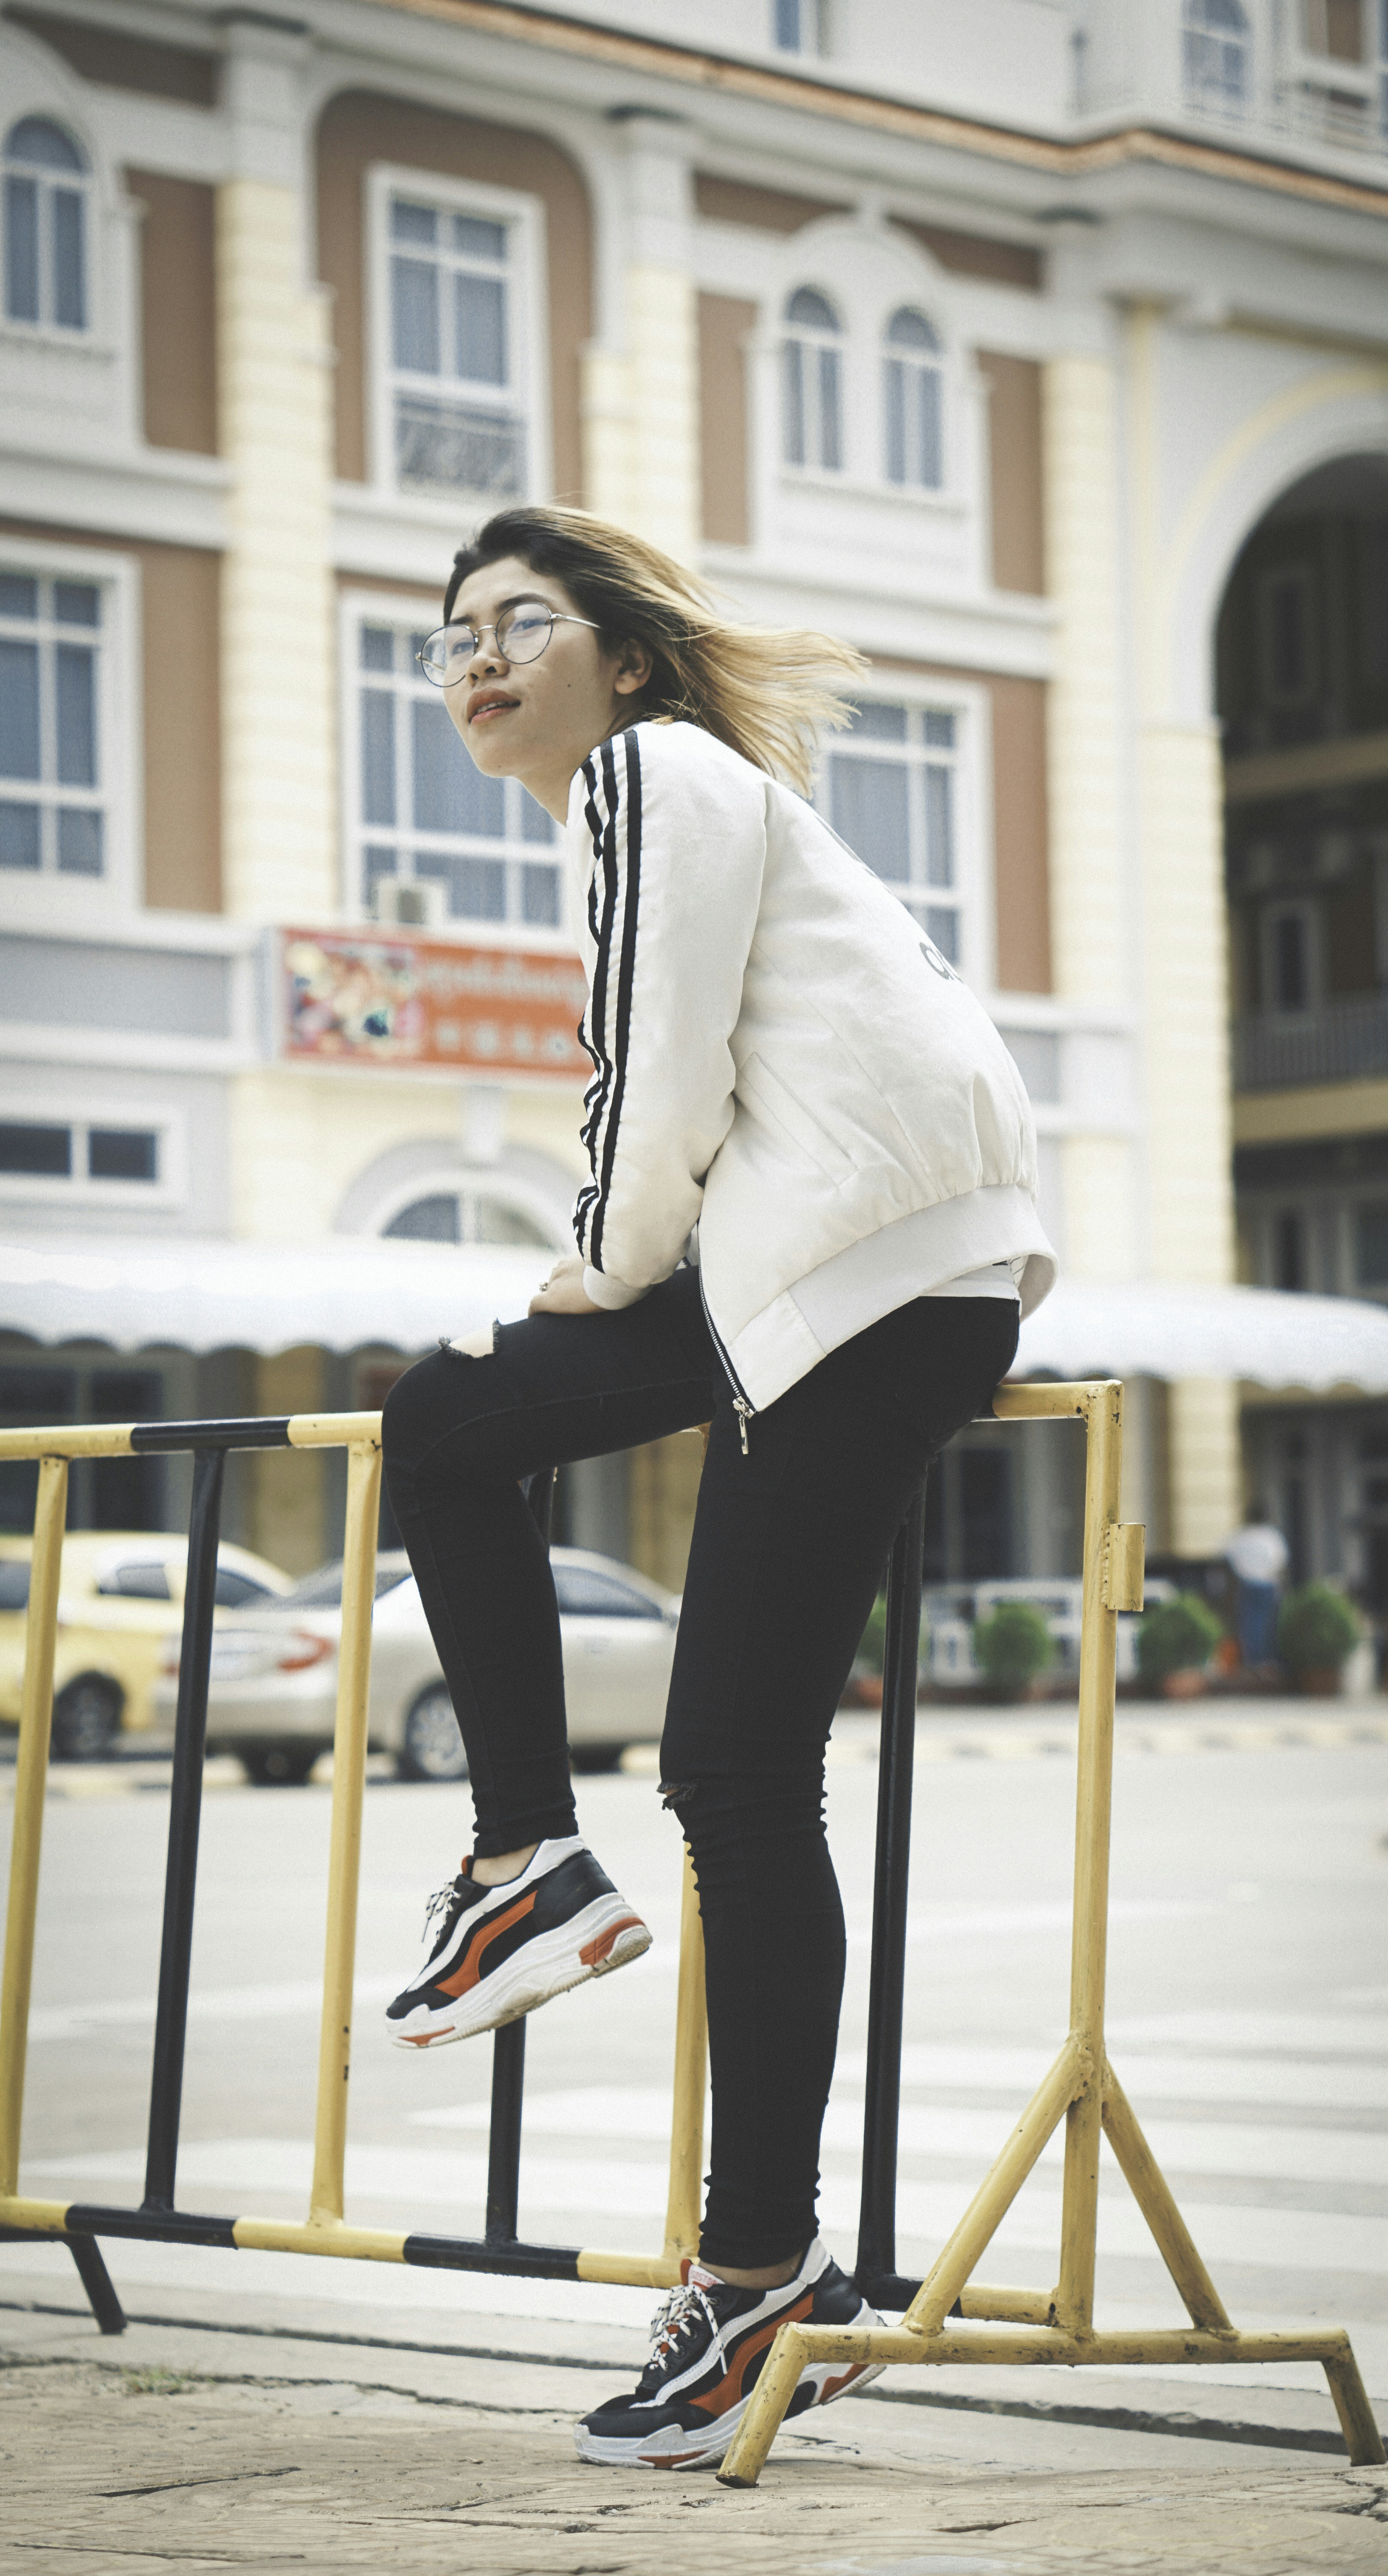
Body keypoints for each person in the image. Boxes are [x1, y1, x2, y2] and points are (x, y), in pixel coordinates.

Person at [378, 505, 1058, 2472]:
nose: (478, 660)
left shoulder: (652, 775)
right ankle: (749, 2239)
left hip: (858, 1267)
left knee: (467, 1440)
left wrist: (574, 1277)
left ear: (630, 657)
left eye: (521, 622)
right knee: (724, 1758)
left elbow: (649, 1084)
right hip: (854, 1266)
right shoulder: (674, 789)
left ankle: (541, 1888)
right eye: (450, 640)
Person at [1224, 1504, 1289, 1670]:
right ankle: (1266, 1662)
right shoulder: (1271, 1536)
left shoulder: (1241, 1536)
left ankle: (1252, 1661)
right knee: (1269, 1623)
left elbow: (1229, 1561)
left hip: (1247, 1584)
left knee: (1249, 1624)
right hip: (1268, 1584)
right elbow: (1281, 1564)